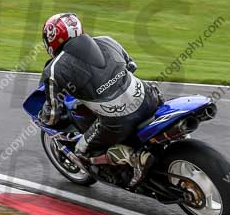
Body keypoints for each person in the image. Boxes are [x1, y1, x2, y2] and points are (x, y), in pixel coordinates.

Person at [38, 13, 163, 188]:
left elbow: (52, 115)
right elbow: (131, 66)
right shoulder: (107, 40)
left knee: (81, 153)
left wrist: (41, 118)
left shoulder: (54, 69)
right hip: (149, 96)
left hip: (117, 121)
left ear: (52, 40)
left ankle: (134, 158)